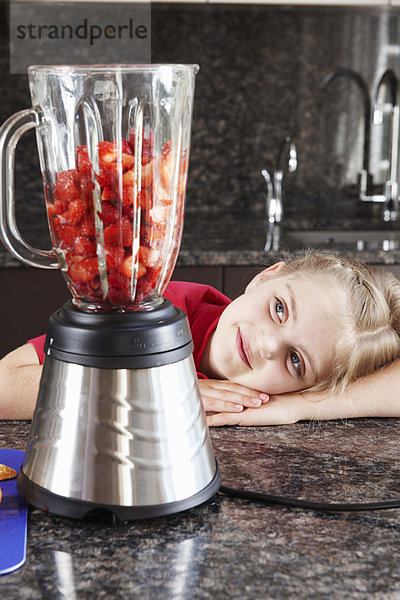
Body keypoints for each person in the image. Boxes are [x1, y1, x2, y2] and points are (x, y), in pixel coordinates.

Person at [1, 251, 400, 424]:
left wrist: (303, 406)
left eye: (295, 361)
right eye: (279, 308)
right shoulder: (154, 309)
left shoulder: (285, 398)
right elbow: (4, 384)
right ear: (267, 276)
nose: (266, 345)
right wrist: (153, 389)